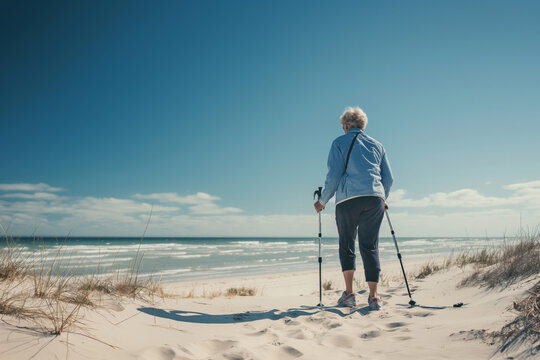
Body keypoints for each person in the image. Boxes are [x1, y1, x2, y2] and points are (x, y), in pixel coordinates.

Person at [314, 107, 393, 310]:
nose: (343, 129)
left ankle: (349, 294)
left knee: (347, 244)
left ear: (347, 125)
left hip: (348, 200)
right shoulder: (378, 145)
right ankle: (374, 297)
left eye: (343, 126)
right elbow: (389, 178)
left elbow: (334, 176)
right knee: (370, 246)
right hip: (375, 199)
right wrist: (382, 196)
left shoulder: (339, 143)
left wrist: (322, 201)